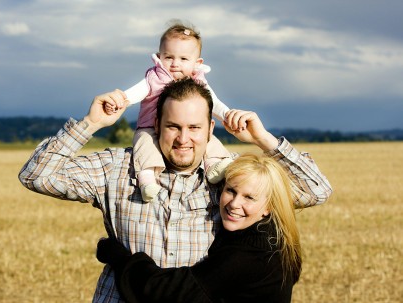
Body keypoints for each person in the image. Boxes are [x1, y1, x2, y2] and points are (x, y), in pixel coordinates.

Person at [18, 78, 332, 303]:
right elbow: (36, 175)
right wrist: (89, 123)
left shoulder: (230, 180)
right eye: (173, 127)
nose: (184, 138)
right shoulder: (116, 169)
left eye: (195, 128)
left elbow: (315, 189)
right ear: (156, 125)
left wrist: (264, 139)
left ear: (210, 129)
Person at [97, 153, 304, 303]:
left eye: (249, 197)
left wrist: (119, 257)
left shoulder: (251, 254)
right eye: (231, 190)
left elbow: (169, 292)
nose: (234, 204)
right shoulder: (273, 235)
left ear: (268, 207)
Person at [103, 20, 233, 202]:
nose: (175, 64)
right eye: (169, 57)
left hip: (182, 129)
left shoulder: (199, 81)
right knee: (145, 147)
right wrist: (120, 101)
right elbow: (135, 92)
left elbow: (215, 103)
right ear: (159, 56)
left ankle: (214, 164)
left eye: (183, 59)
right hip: (149, 126)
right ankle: (147, 179)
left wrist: (228, 115)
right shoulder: (155, 77)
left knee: (205, 138)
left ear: (197, 62)